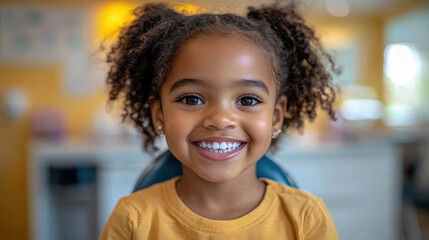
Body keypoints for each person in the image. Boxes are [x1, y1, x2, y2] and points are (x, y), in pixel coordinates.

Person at [100, 1, 338, 239]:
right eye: (192, 99)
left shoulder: (307, 219)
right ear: (159, 114)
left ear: (276, 118)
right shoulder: (131, 220)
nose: (221, 119)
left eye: (247, 100)